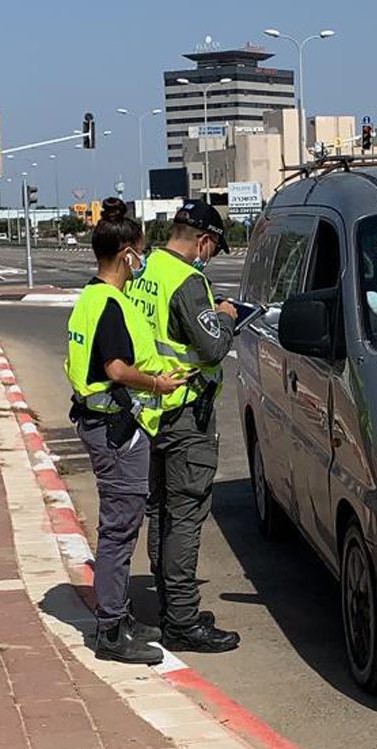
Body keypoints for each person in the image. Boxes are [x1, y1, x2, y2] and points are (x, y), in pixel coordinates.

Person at [64, 197, 188, 665]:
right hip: (115, 429)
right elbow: (116, 368)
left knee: (119, 526)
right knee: (119, 531)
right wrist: (158, 382)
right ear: (127, 255)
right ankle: (111, 630)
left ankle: (119, 615)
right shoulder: (112, 304)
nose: (143, 260)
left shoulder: (89, 299)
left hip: (98, 422)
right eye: (142, 251)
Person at [124, 199, 241, 653]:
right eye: (214, 248)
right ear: (205, 240)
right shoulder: (188, 281)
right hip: (185, 412)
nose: (211, 256)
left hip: (147, 406)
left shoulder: (145, 269)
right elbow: (212, 349)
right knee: (186, 514)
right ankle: (184, 621)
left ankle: (170, 607)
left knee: (160, 511)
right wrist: (228, 317)